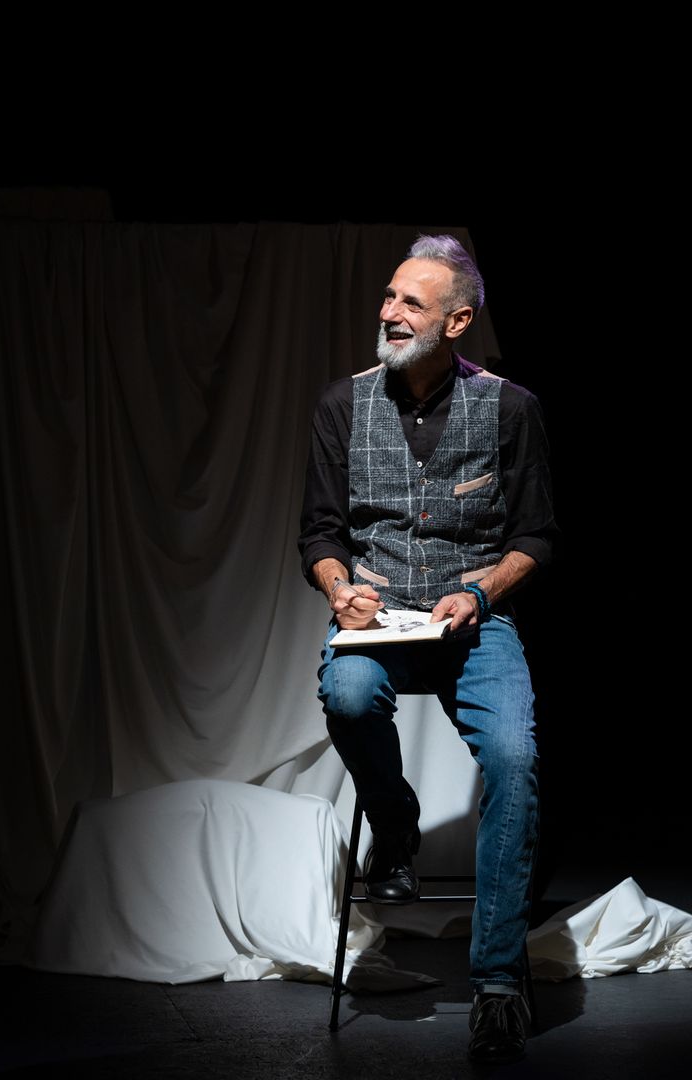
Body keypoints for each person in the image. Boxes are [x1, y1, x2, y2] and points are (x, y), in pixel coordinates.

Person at [298, 234, 557, 1065]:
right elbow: (320, 533)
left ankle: (498, 982)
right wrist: (340, 588)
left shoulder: (509, 408)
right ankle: (395, 824)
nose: (390, 312)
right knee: (347, 695)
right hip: (380, 617)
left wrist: (481, 593)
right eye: (388, 296)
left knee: (514, 759)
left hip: (474, 621)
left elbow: (536, 538)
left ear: (458, 320)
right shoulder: (342, 405)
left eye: (411, 301)